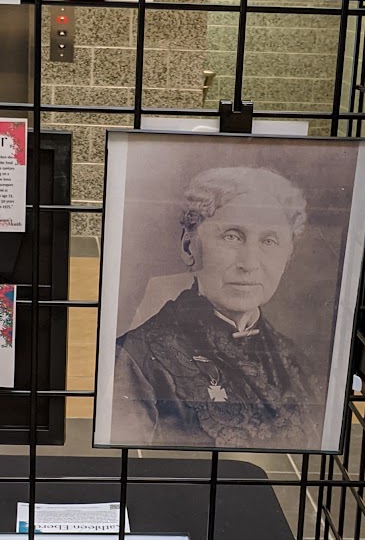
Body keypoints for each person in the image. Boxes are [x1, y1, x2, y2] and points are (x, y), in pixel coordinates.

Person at [110, 165, 320, 449]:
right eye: (232, 236)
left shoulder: (295, 360)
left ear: (287, 256)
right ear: (188, 247)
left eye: (269, 240)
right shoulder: (137, 358)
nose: (249, 263)